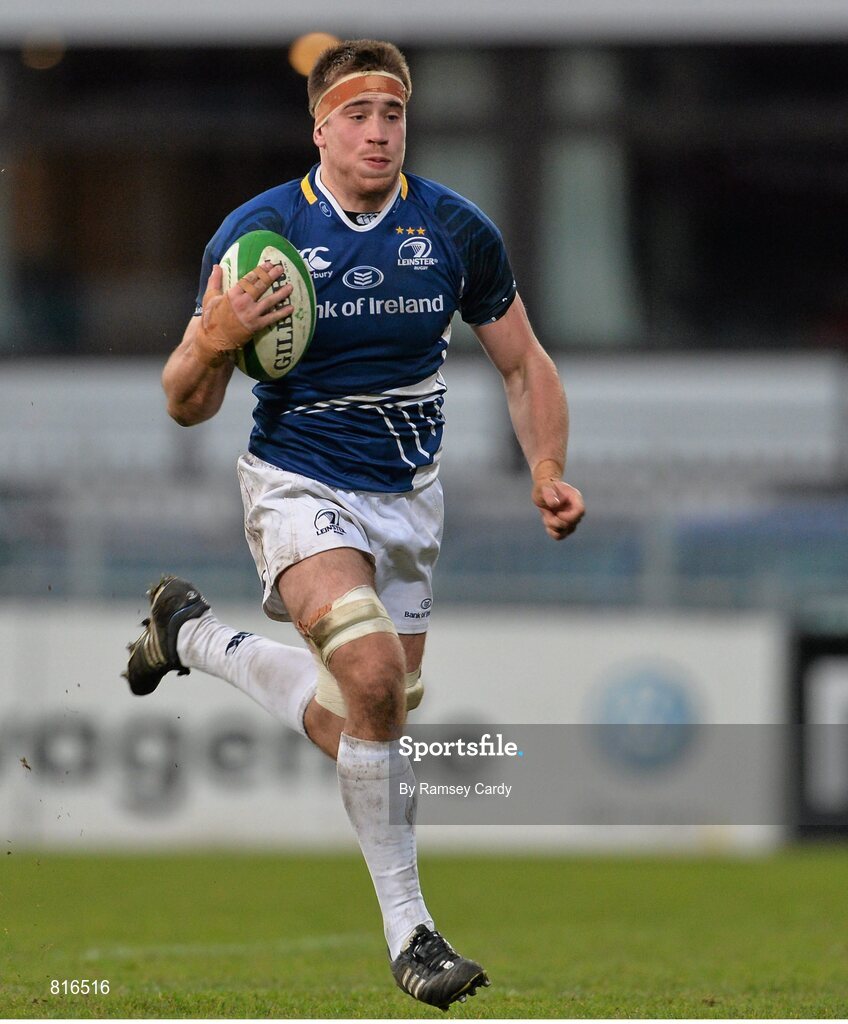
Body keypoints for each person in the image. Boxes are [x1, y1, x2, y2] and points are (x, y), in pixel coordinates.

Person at [124, 38, 585, 1011]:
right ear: (320, 128)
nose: (378, 134)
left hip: (409, 498)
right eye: (358, 116)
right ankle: (411, 933)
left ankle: (191, 635)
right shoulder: (258, 239)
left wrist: (547, 467)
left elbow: (522, 362)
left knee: (363, 720)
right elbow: (183, 401)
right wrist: (212, 338)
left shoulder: (453, 231)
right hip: (297, 483)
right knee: (372, 675)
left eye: (393, 115)